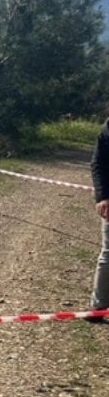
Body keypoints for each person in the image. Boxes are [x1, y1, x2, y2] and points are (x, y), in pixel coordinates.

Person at [90, 118, 109, 321]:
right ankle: (98, 306)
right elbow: (97, 163)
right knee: (108, 255)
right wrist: (102, 197)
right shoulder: (107, 129)